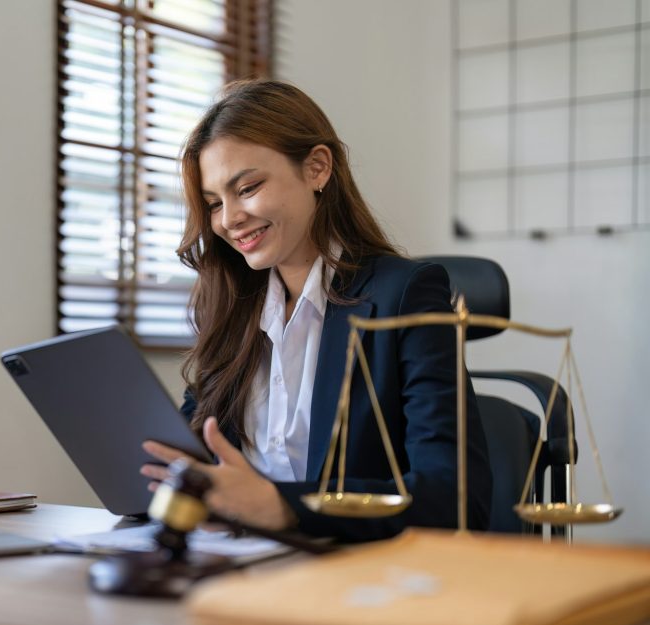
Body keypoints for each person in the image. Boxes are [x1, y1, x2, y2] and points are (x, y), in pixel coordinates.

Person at [140, 79, 491, 542]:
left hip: (355, 574)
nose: (228, 219)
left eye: (247, 188)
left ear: (317, 169)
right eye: (213, 204)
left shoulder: (403, 293)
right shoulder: (232, 308)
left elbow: (455, 496)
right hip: (237, 562)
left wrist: (281, 507)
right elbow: (200, 454)